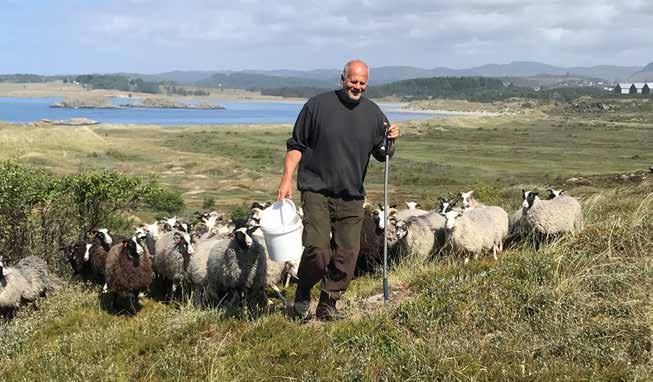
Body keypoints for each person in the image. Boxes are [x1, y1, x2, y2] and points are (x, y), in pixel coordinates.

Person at [277, 60, 399, 321]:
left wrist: (391, 140)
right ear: (342, 78)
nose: (357, 87)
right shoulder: (317, 106)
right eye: (353, 81)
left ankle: (328, 303)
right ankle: (303, 291)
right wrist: (286, 180)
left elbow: (382, 153)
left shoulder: (374, 113)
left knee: (347, 253)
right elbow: (296, 145)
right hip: (317, 190)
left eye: (362, 83)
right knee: (318, 250)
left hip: (352, 194)